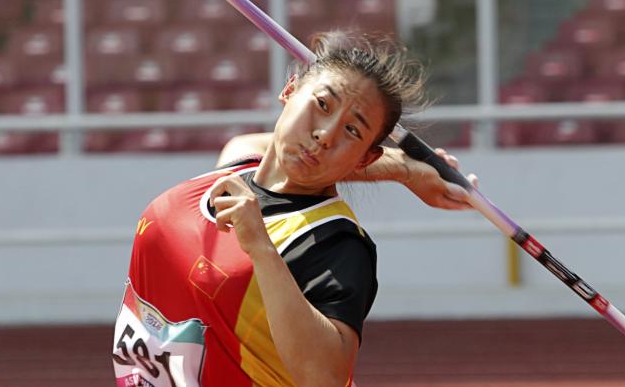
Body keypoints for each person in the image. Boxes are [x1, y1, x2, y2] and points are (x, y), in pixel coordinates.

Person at [112, 31, 477, 387]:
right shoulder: (236, 165)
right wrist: (407, 169)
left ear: (366, 157)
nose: (325, 135)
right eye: (322, 106)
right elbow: (261, 147)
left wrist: (261, 247)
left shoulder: (335, 245)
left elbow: (326, 378)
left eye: (352, 130)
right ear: (289, 90)